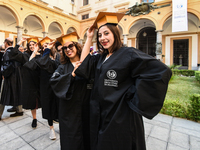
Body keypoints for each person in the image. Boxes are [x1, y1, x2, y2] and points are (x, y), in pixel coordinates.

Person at [75, 12, 172, 150]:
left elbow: (160, 71)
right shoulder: (102, 57)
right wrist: (89, 37)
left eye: (106, 33)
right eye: (100, 35)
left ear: (116, 33)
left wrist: (132, 94)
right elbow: (84, 64)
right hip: (101, 112)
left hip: (120, 115)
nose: (103, 38)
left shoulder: (129, 53)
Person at [50, 32, 91, 150]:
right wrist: (71, 75)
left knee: (88, 138)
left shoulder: (88, 64)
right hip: (69, 112)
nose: (68, 50)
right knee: (71, 141)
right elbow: (54, 81)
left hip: (86, 109)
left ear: (77, 47)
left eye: (70, 46)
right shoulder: (62, 67)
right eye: (65, 48)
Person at [24, 36, 59, 140]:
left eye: (47, 45)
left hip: (57, 86)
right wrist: (35, 52)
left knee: (59, 106)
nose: (45, 47)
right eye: (44, 46)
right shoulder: (40, 58)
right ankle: (51, 129)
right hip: (45, 87)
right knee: (47, 108)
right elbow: (29, 65)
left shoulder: (58, 56)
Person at [8, 37, 41, 128]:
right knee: (32, 102)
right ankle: (34, 118)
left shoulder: (41, 55)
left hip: (40, 81)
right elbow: (12, 54)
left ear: (37, 45)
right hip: (30, 82)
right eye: (29, 45)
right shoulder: (25, 56)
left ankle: (51, 119)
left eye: (33, 44)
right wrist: (20, 42)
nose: (31, 46)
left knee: (44, 100)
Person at [0, 37, 23, 120]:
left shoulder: (8, 52)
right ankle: (19, 110)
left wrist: (3, 73)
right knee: (17, 91)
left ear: (6, 43)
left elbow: (7, 65)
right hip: (17, 75)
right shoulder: (15, 51)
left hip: (10, 76)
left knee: (3, 94)